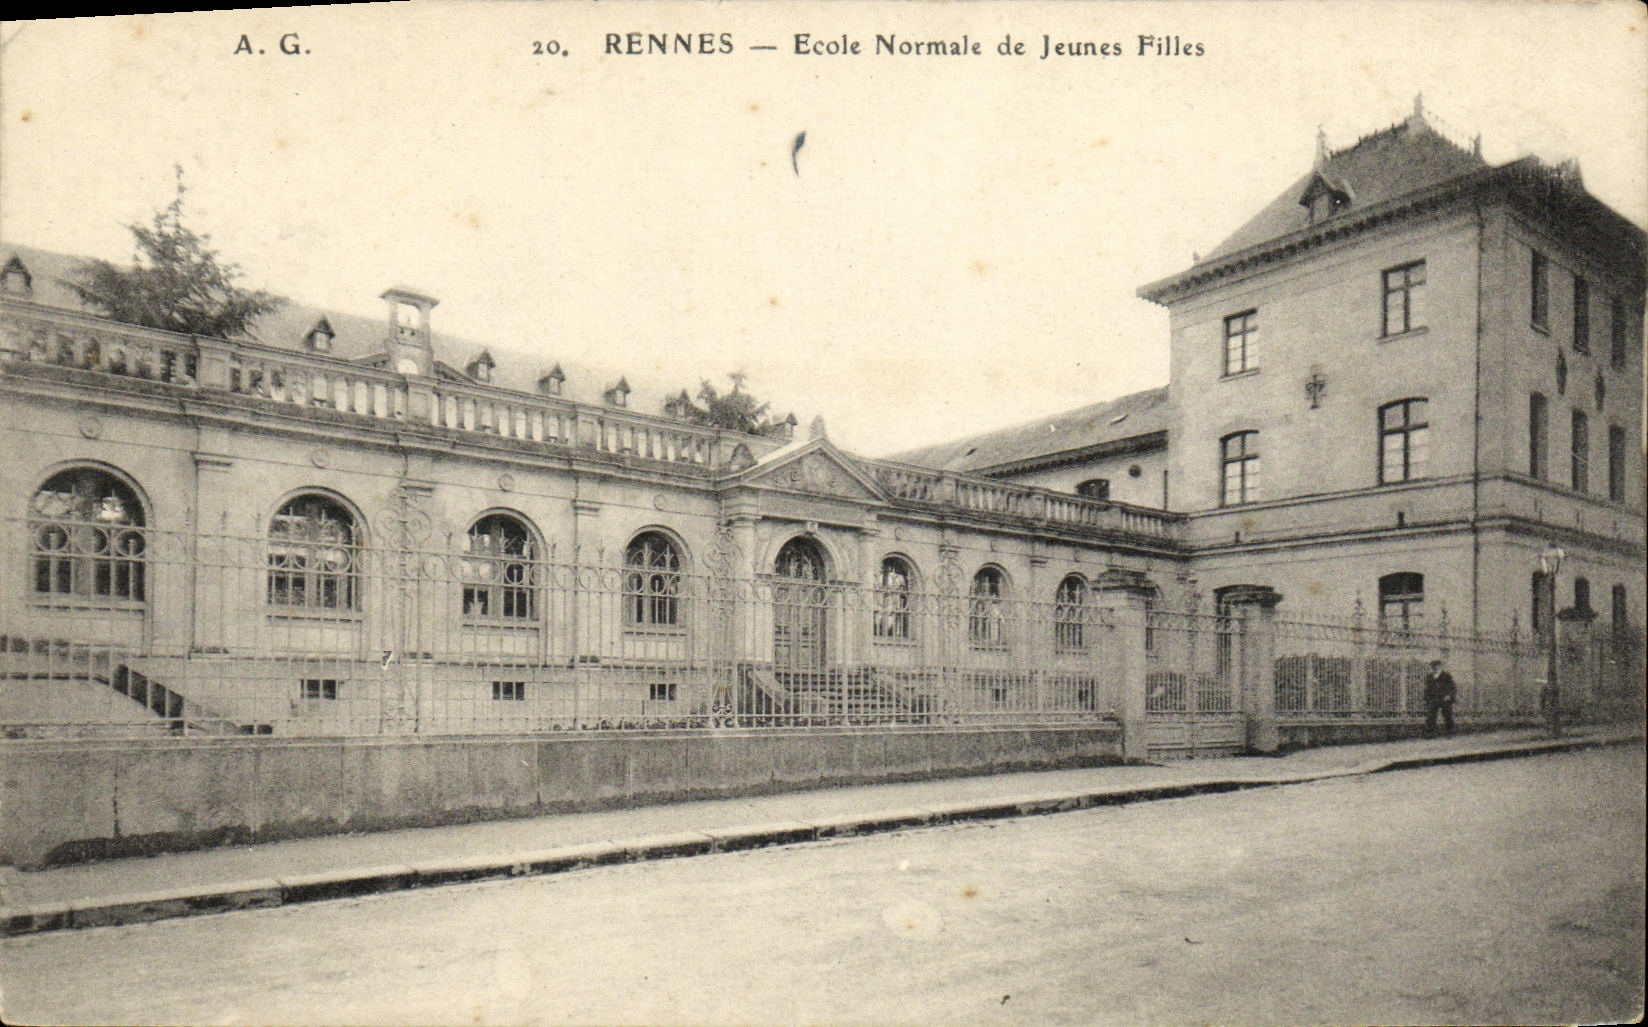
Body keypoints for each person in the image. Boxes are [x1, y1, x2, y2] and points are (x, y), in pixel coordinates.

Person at [1422, 658, 1457, 738]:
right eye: (1433, 666)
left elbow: (1452, 687)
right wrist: (1426, 699)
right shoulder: (1430, 676)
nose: (1434, 668)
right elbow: (1427, 688)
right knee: (1431, 716)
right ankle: (1430, 733)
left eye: (1436, 666)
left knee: (1447, 716)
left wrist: (1449, 695)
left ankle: (1450, 732)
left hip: (1445, 699)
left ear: (1440, 666)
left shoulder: (1446, 676)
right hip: (1434, 698)